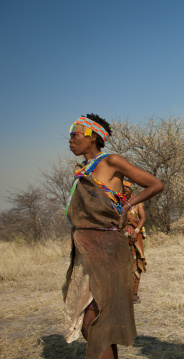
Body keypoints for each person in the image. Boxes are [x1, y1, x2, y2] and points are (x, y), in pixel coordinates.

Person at [63, 114, 164, 359]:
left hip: (108, 251)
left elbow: (154, 184)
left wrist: (128, 206)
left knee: (96, 323)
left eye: (75, 134)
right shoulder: (84, 169)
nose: (70, 139)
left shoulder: (111, 161)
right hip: (87, 250)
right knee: (100, 325)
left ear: (93, 136)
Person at [122, 180, 147, 304]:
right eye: (122, 190)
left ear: (131, 191)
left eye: (126, 190)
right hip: (120, 236)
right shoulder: (117, 202)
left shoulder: (137, 203)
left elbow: (142, 218)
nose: (124, 192)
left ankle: (134, 294)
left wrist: (136, 231)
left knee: (136, 263)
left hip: (134, 236)